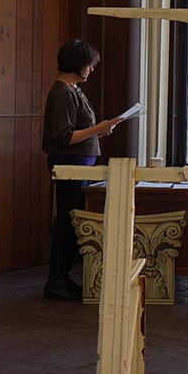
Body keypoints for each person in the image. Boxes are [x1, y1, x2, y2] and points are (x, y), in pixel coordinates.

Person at [41, 39, 126, 301]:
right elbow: (63, 136)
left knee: (72, 221)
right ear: (79, 64)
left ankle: (63, 277)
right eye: (89, 64)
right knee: (65, 222)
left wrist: (101, 129)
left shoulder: (73, 90)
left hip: (80, 164)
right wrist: (99, 128)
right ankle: (56, 280)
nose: (91, 69)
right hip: (70, 165)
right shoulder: (63, 92)